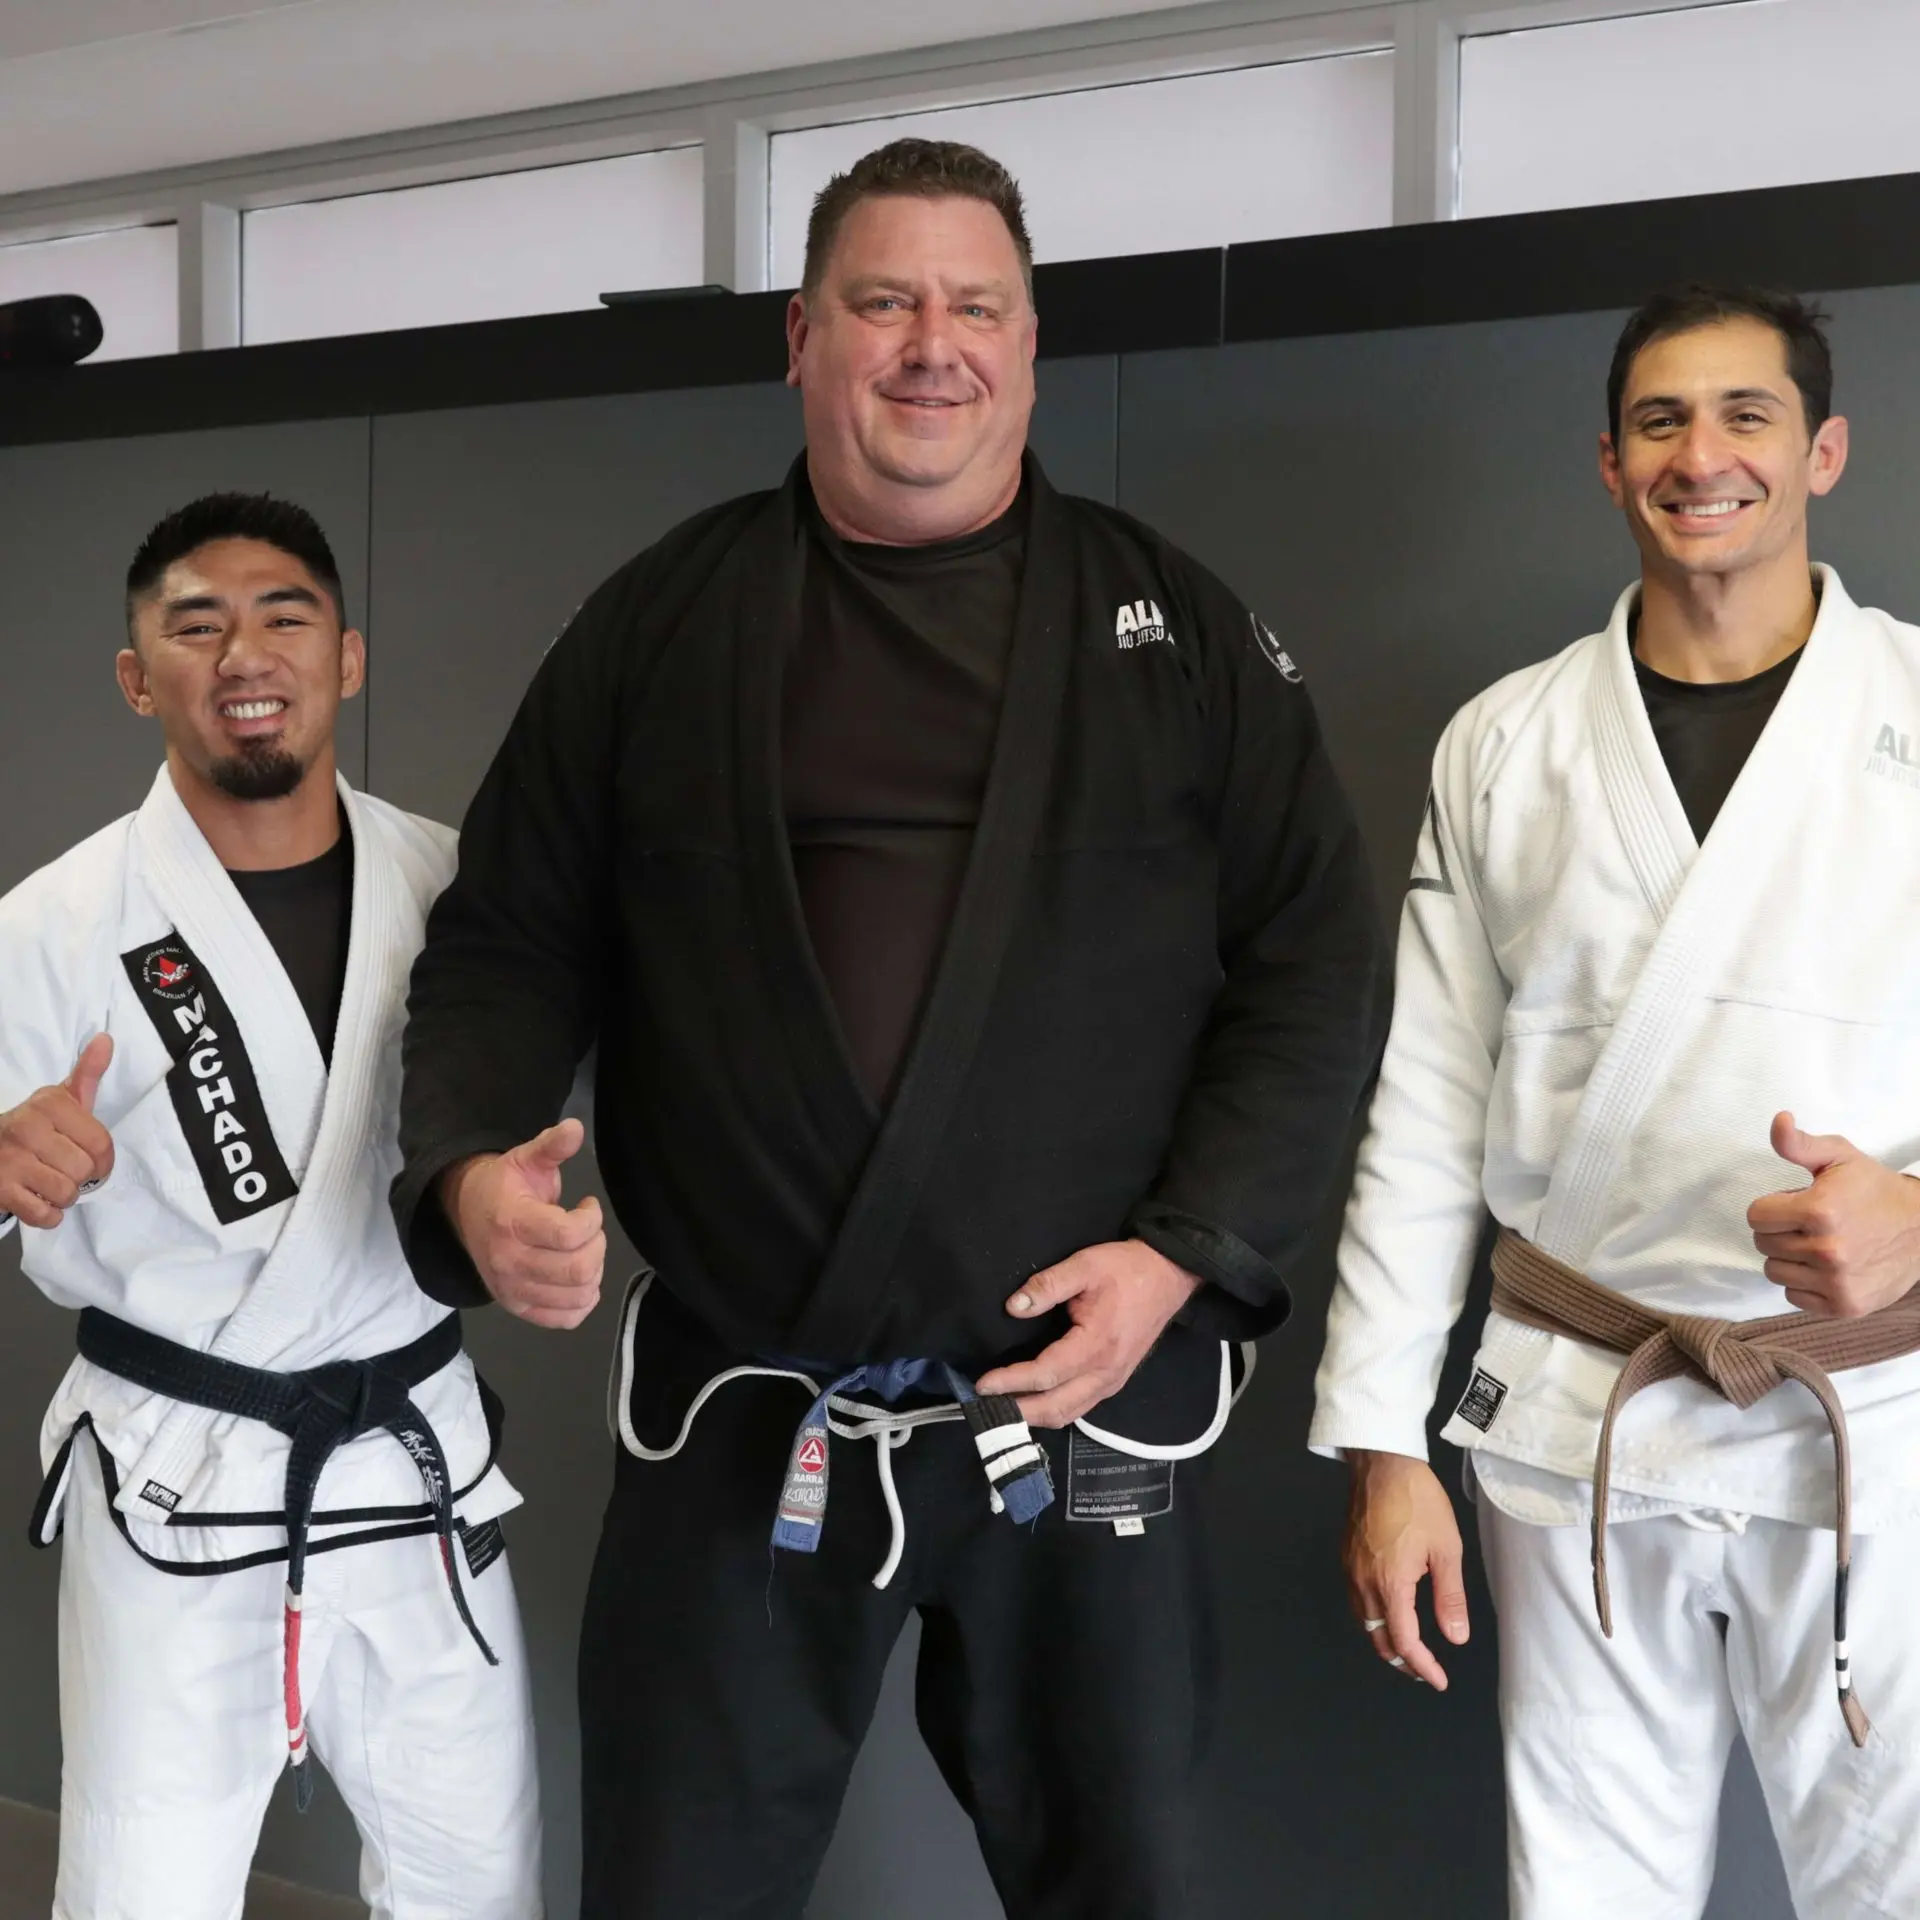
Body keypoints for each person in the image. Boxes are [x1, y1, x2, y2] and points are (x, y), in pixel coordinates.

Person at [393, 138, 1384, 1919]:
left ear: (1029, 339)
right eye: (883, 301)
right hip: (746, 1408)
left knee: (1125, 1885)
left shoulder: (1178, 634)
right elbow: (505, 939)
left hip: (1087, 1413)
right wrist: (469, 1164)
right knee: (673, 1884)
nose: (932, 343)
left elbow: (1314, 958)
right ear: (801, 337)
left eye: (973, 304)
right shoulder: (658, 625)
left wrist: (1185, 1253)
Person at [1312, 284, 1920, 1918]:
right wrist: (1381, 1441)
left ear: (1825, 451)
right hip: (1583, 1406)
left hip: (1870, 1419)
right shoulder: (1506, 744)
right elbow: (1428, 1106)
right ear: (1606, 461)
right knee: (1581, 1891)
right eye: (1661, 421)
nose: (1701, 454)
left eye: (1747, 416)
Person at [0, 494, 542, 1918]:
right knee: (142, 1888)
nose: (247, 651)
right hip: (176, 1478)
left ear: (347, 658)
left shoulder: (452, 887)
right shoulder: (53, 923)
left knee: (477, 1880)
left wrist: (520, 1219)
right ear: (138, 677)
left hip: (413, 1465)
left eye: (284, 614)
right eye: (197, 625)